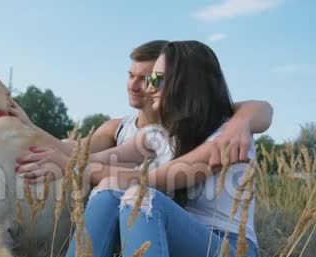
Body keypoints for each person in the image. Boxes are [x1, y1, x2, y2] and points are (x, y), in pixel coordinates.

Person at [11, 40, 260, 257]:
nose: (149, 87)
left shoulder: (228, 138)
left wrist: (68, 167)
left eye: (157, 78)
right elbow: (93, 157)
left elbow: (152, 181)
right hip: (170, 253)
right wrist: (36, 136)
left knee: (140, 196)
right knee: (108, 192)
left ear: (186, 83)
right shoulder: (156, 135)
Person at [15, 40, 273, 170]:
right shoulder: (118, 127)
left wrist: (241, 122)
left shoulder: (191, 124)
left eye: (148, 78)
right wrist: (29, 127)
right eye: (130, 76)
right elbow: (76, 152)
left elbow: (258, 109)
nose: (135, 85)